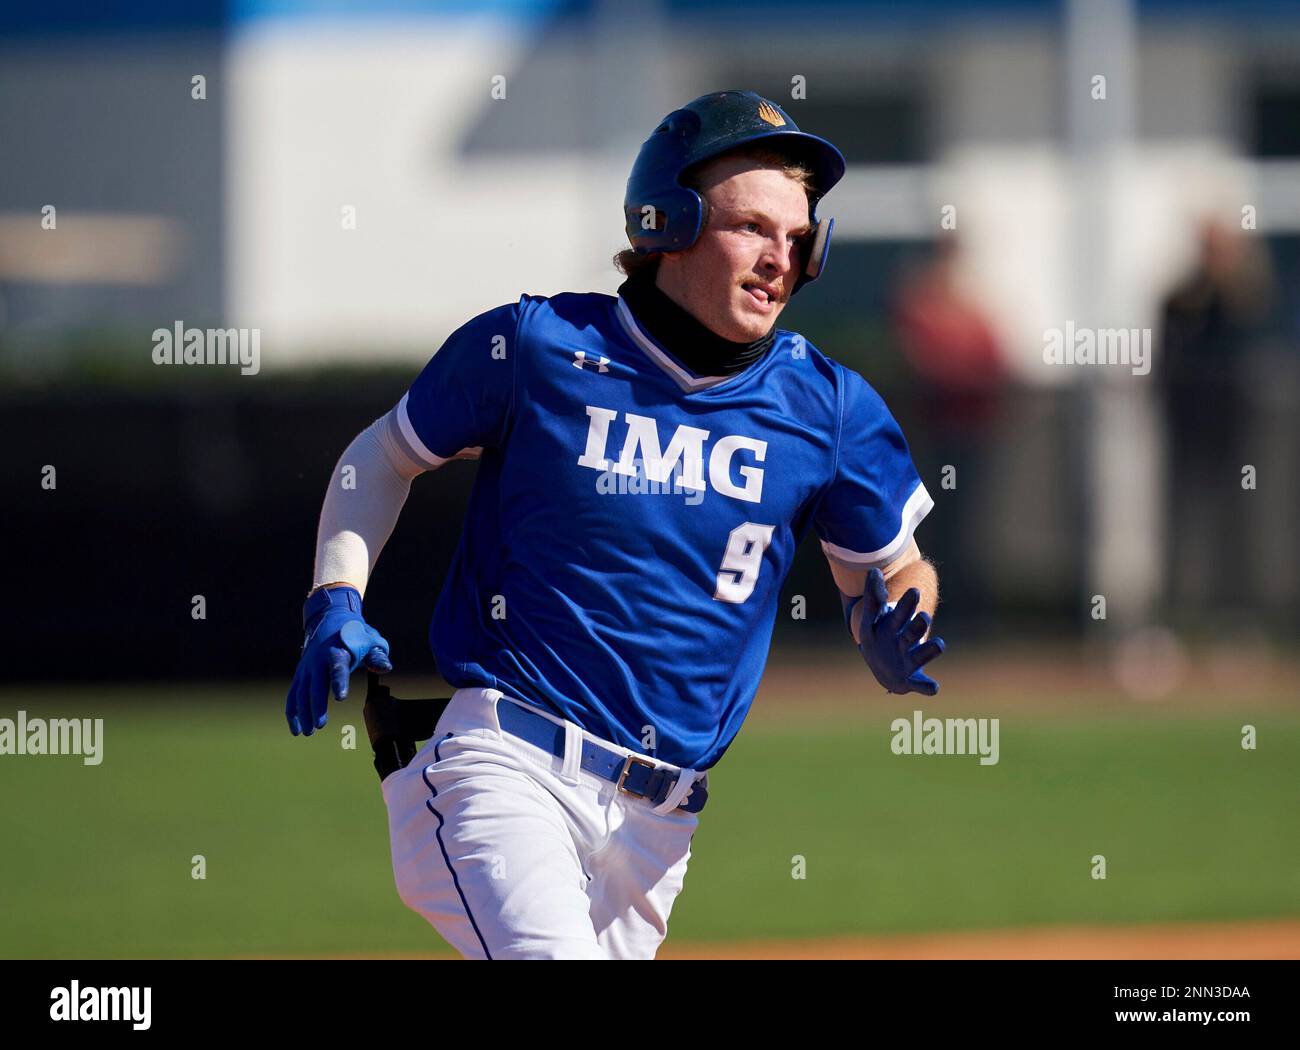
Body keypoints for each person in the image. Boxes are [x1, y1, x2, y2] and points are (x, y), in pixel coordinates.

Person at [284, 91, 945, 959]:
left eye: (799, 238)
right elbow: (383, 454)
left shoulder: (828, 407)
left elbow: (895, 567)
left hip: (659, 829)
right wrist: (336, 594)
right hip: (505, 768)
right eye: (752, 227)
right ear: (666, 221)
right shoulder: (536, 346)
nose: (779, 259)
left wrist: (898, 620)